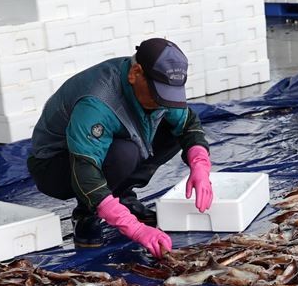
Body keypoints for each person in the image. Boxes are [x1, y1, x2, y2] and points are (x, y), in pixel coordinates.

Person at [27, 38, 213, 258]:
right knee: (124, 153)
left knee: (172, 130)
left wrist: (200, 165)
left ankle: (122, 195)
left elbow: (187, 124)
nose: (162, 101)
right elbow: (85, 170)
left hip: (95, 153)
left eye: (168, 95)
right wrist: (132, 227)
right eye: (157, 94)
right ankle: (86, 214)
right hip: (55, 165)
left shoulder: (155, 93)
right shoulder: (97, 102)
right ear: (135, 73)